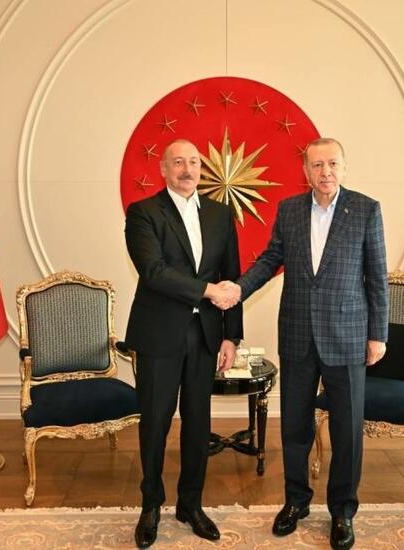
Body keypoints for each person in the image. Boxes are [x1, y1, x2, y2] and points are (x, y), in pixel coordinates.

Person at [220, 137, 388, 550]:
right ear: (306, 171)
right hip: (297, 335)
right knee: (295, 427)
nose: (325, 171)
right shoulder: (290, 210)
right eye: (317, 165)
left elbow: (377, 277)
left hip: (347, 337)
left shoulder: (366, 209)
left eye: (332, 163)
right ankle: (296, 502)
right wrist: (238, 288)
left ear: (344, 167)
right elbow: (269, 259)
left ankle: (343, 511)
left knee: (347, 431)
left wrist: (378, 334)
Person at [124, 139, 242, 548]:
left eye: (193, 162)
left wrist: (231, 335)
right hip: (159, 333)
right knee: (155, 422)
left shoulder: (220, 214)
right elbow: (154, 271)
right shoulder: (143, 212)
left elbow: (231, 277)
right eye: (178, 162)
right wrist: (208, 291)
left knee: (198, 423)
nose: (187, 169)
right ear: (163, 168)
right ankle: (151, 505)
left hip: (205, 335)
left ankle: (190, 504)